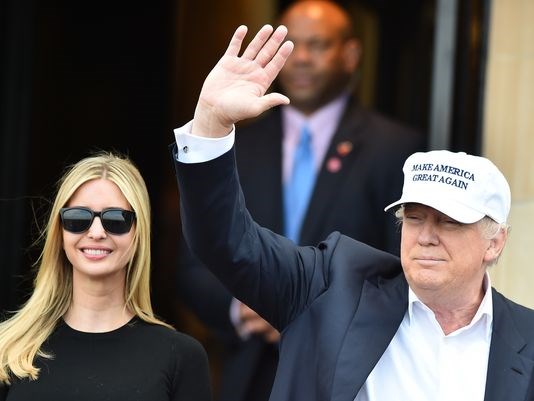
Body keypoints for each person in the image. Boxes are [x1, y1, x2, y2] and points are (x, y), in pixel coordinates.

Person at [171, 24, 534, 401]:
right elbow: (228, 242)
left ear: (495, 242)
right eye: (413, 217)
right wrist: (211, 124)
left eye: (448, 221)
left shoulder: (526, 339)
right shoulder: (332, 287)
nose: (426, 235)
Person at [176, 2, 424, 400]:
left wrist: (311, 312)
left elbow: (404, 267)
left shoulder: (395, 148)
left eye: (318, 45)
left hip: (346, 371)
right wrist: (242, 307)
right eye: (292, 45)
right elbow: (194, 260)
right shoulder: (238, 143)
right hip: (247, 372)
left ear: (351, 54)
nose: (303, 58)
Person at [0, 153, 212, 401]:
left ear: (138, 233)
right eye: (78, 218)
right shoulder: (10, 348)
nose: (97, 232)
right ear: (60, 232)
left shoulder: (180, 357)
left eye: (116, 219)